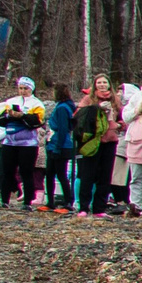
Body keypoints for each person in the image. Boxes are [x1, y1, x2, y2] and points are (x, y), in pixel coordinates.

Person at [0, 78, 48, 208]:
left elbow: (37, 121)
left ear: (31, 89)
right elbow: (1, 120)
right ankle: (4, 200)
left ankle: (27, 202)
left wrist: (22, 116)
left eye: (26, 88)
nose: (23, 91)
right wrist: (10, 116)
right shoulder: (11, 102)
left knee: (26, 172)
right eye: (20, 88)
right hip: (10, 142)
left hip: (28, 143)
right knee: (8, 171)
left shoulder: (37, 104)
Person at [71, 80, 111, 216]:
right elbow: (78, 117)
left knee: (105, 176)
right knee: (87, 174)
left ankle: (100, 208)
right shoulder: (88, 99)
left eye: (105, 82)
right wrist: (96, 109)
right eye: (99, 82)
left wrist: (117, 124)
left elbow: (123, 118)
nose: (102, 85)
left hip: (109, 140)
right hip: (91, 141)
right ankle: (83, 207)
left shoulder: (115, 99)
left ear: (109, 84)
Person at [119, 79, 142, 213]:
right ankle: (135, 205)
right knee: (137, 175)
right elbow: (126, 116)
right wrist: (138, 110)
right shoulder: (138, 96)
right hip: (136, 140)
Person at [45, 83, 78, 211]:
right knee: (50, 174)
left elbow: (63, 128)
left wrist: (57, 148)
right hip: (55, 144)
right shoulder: (64, 106)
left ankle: (68, 201)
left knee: (61, 174)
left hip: (60, 145)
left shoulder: (62, 108)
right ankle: (50, 201)